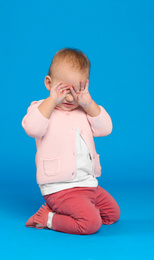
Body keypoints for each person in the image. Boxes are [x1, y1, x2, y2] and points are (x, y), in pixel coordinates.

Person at [21, 48, 120, 235]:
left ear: (86, 87)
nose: (68, 97)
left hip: (88, 184)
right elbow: (32, 128)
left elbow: (106, 128)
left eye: (75, 90)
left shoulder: (84, 110)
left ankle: (76, 211)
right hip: (60, 188)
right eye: (63, 90)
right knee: (90, 224)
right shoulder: (42, 109)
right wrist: (51, 100)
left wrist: (88, 103)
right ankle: (47, 217)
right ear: (49, 83)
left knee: (112, 214)